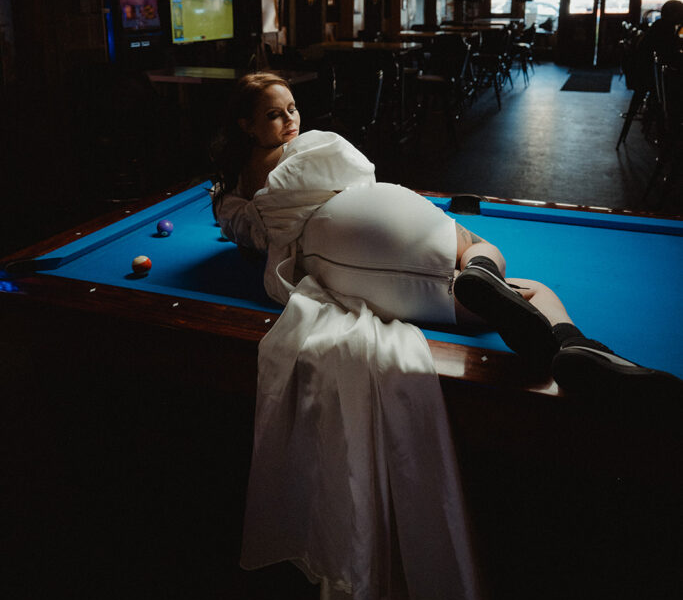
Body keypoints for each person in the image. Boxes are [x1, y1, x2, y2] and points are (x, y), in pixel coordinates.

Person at [210, 71, 681, 399]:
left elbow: (245, 229)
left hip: (340, 262)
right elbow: (359, 168)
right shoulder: (309, 147)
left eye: (293, 108)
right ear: (246, 125)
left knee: (479, 310)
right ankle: (569, 339)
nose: (291, 120)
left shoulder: (245, 188)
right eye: (276, 115)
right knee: (500, 262)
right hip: (391, 215)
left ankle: (519, 311)